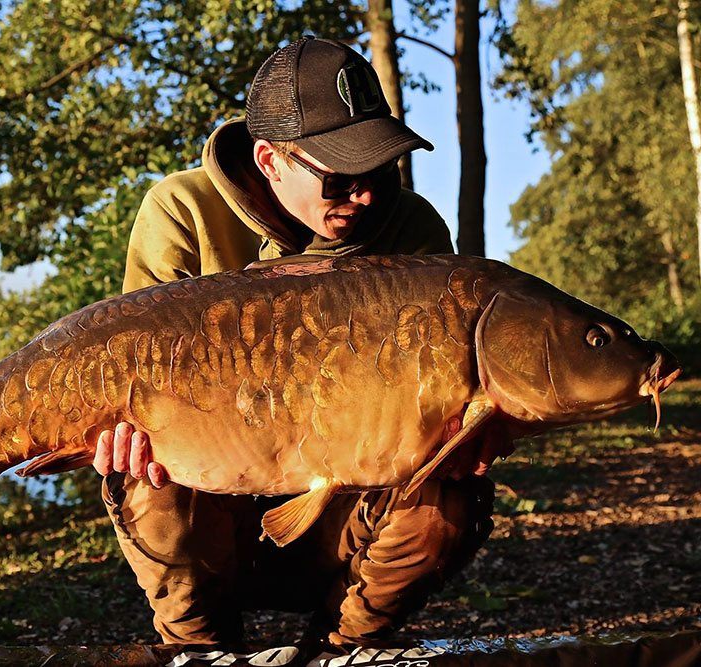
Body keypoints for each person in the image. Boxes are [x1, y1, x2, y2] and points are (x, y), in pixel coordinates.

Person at [95, 37, 506, 647]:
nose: (364, 195)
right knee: (147, 475)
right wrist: (113, 436)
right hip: (214, 508)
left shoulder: (412, 229)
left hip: (345, 509)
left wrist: (466, 431)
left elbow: (444, 397)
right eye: (340, 178)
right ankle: (199, 650)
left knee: (450, 493)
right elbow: (128, 382)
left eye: (378, 168)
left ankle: (341, 646)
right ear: (270, 160)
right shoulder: (183, 212)